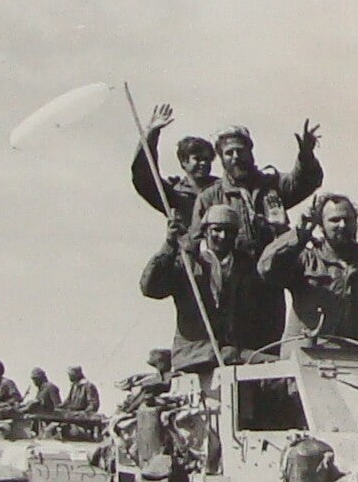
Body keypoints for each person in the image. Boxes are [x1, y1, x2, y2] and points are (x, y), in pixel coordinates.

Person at [259, 193, 358, 350]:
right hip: (305, 354)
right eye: (334, 220)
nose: (342, 225)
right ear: (321, 225)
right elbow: (267, 268)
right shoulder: (306, 260)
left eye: (348, 220)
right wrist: (298, 235)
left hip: (352, 356)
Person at [142, 204, 264, 372]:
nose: (223, 236)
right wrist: (169, 245)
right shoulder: (187, 262)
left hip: (233, 353)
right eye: (217, 230)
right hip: (194, 354)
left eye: (229, 231)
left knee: (275, 364)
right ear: (205, 231)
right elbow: (150, 288)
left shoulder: (245, 265)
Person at [188, 121, 323, 255]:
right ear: (221, 157)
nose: (236, 157)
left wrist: (306, 155)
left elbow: (306, 182)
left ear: (250, 151)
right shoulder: (209, 197)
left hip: (277, 263)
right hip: (235, 267)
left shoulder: (272, 183)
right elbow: (196, 243)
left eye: (240, 151)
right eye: (229, 153)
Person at [130, 103, 217, 224]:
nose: (203, 163)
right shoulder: (175, 193)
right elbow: (143, 178)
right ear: (184, 162)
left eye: (207, 159)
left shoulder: (221, 189)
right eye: (197, 159)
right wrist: (152, 133)